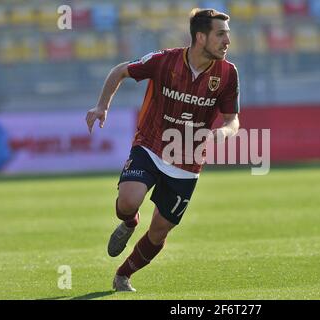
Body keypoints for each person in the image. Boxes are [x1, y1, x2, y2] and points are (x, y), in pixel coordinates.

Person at [85, 8, 240, 292]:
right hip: (151, 144)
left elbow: (232, 119)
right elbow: (120, 71)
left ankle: (123, 275)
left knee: (159, 231)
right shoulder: (164, 60)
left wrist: (225, 132)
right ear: (200, 37)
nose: (227, 42)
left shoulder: (228, 74)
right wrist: (102, 106)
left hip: (188, 162)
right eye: (221, 35)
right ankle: (129, 222)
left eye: (227, 36)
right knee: (128, 201)